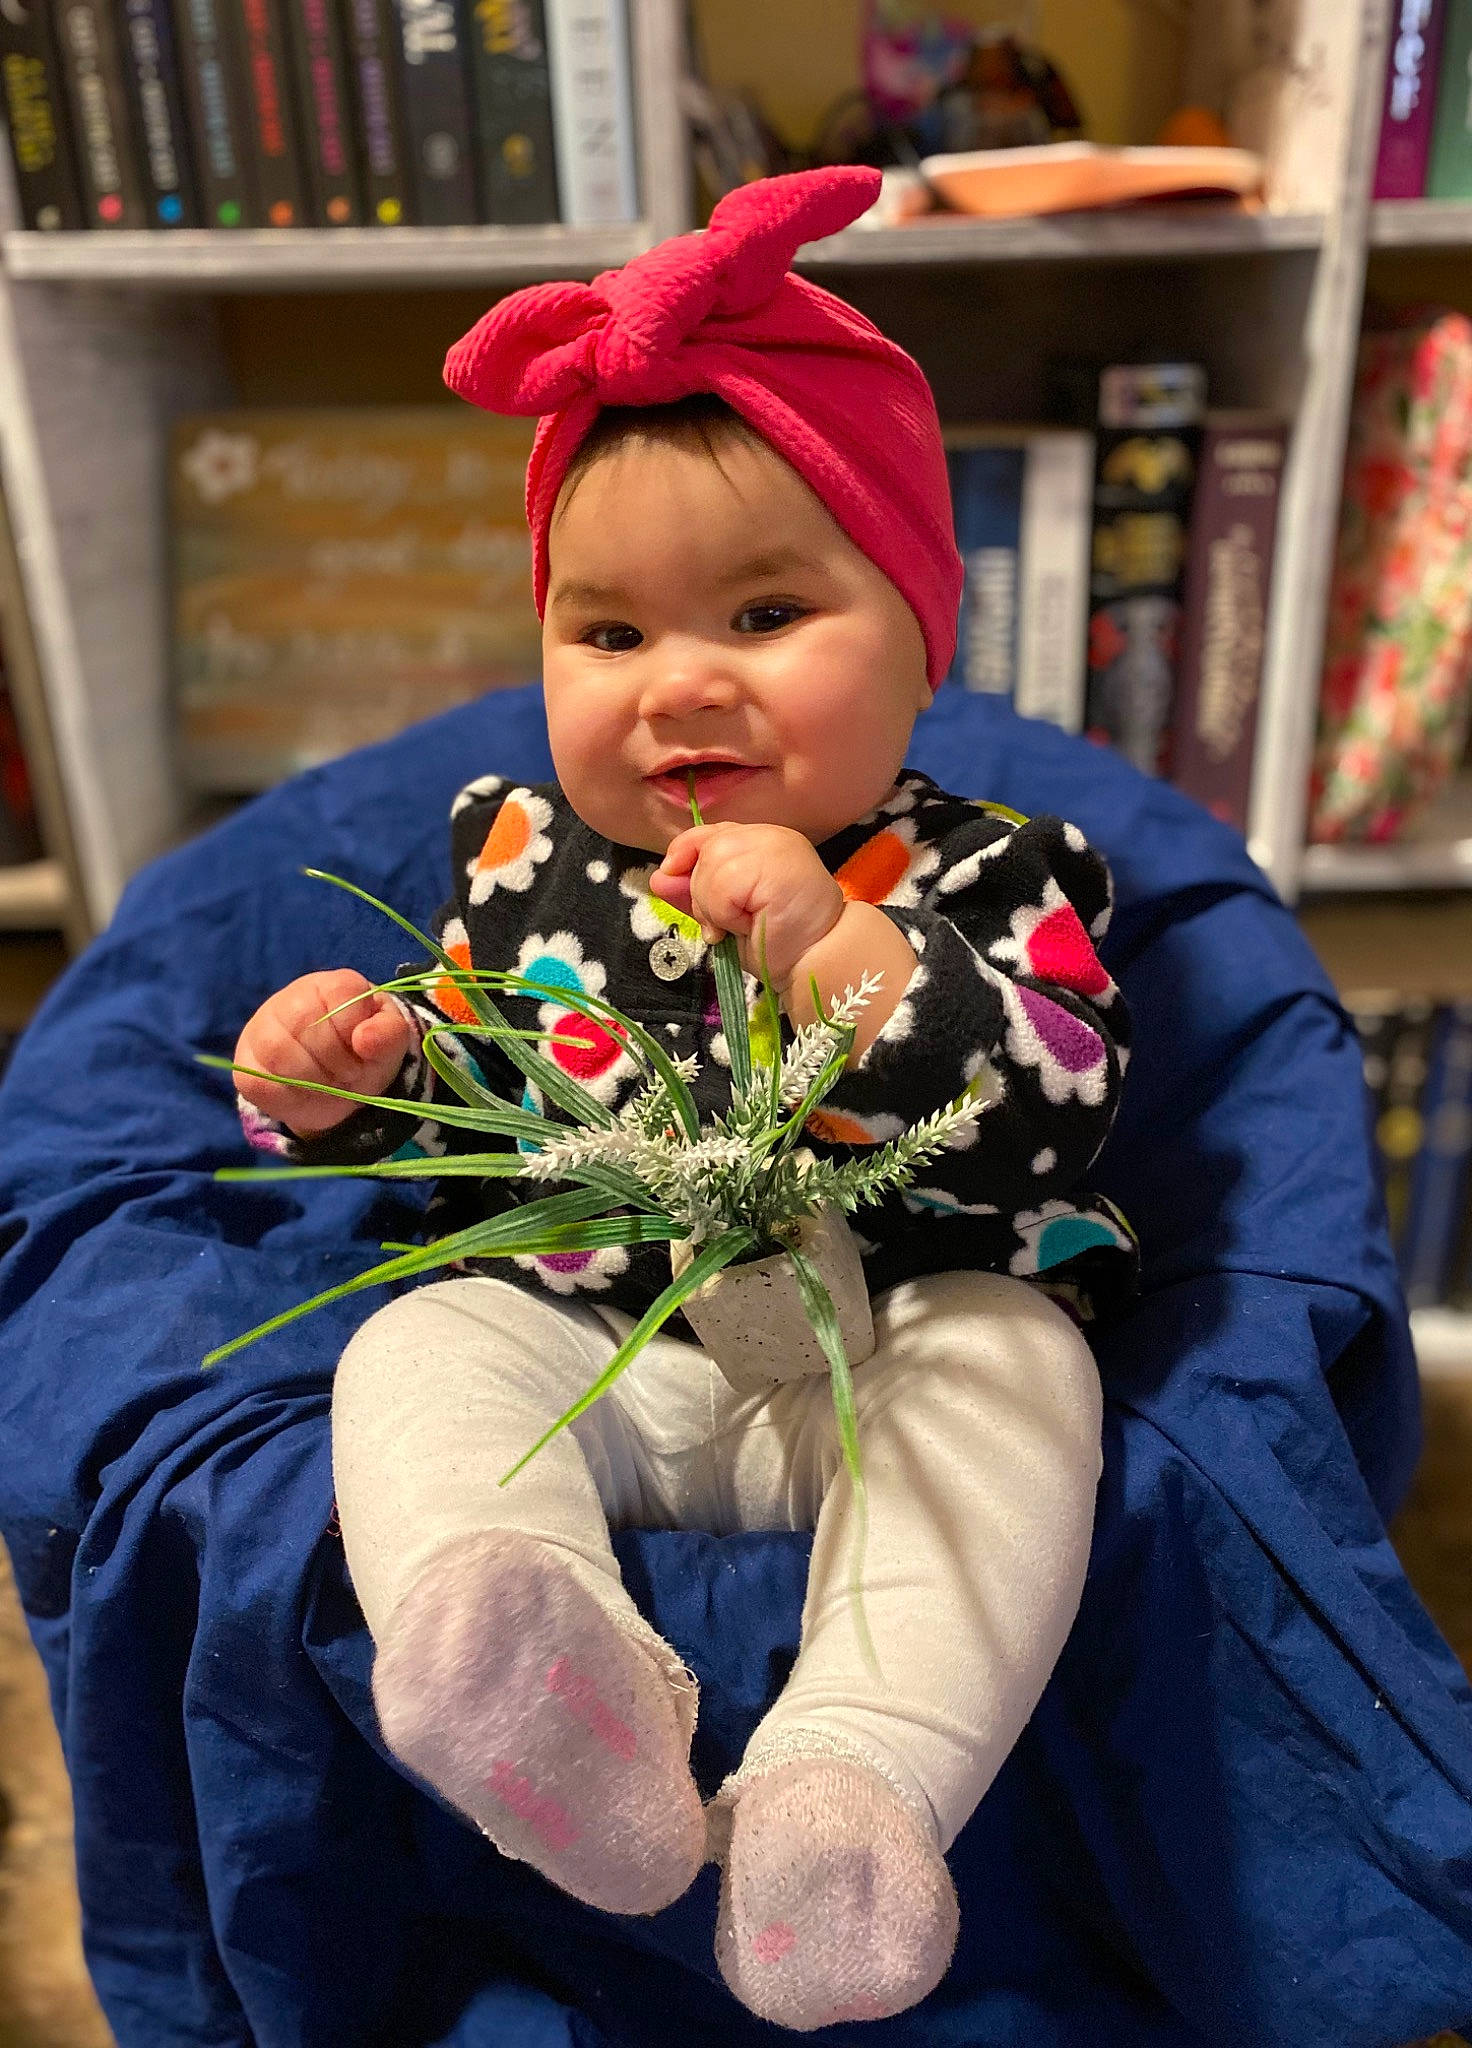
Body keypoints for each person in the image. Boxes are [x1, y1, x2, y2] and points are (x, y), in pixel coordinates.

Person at [231, 166, 1135, 2035]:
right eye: (611, 635)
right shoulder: (522, 858)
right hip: (606, 1354)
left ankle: (853, 1790)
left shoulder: (988, 869)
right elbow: (466, 1098)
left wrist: (839, 948)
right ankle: (546, 1682)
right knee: (411, 1353)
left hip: (881, 1348)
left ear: (919, 634)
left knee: (1024, 1376)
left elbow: (1054, 1113)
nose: (680, 688)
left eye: (767, 611)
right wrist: (335, 1074)